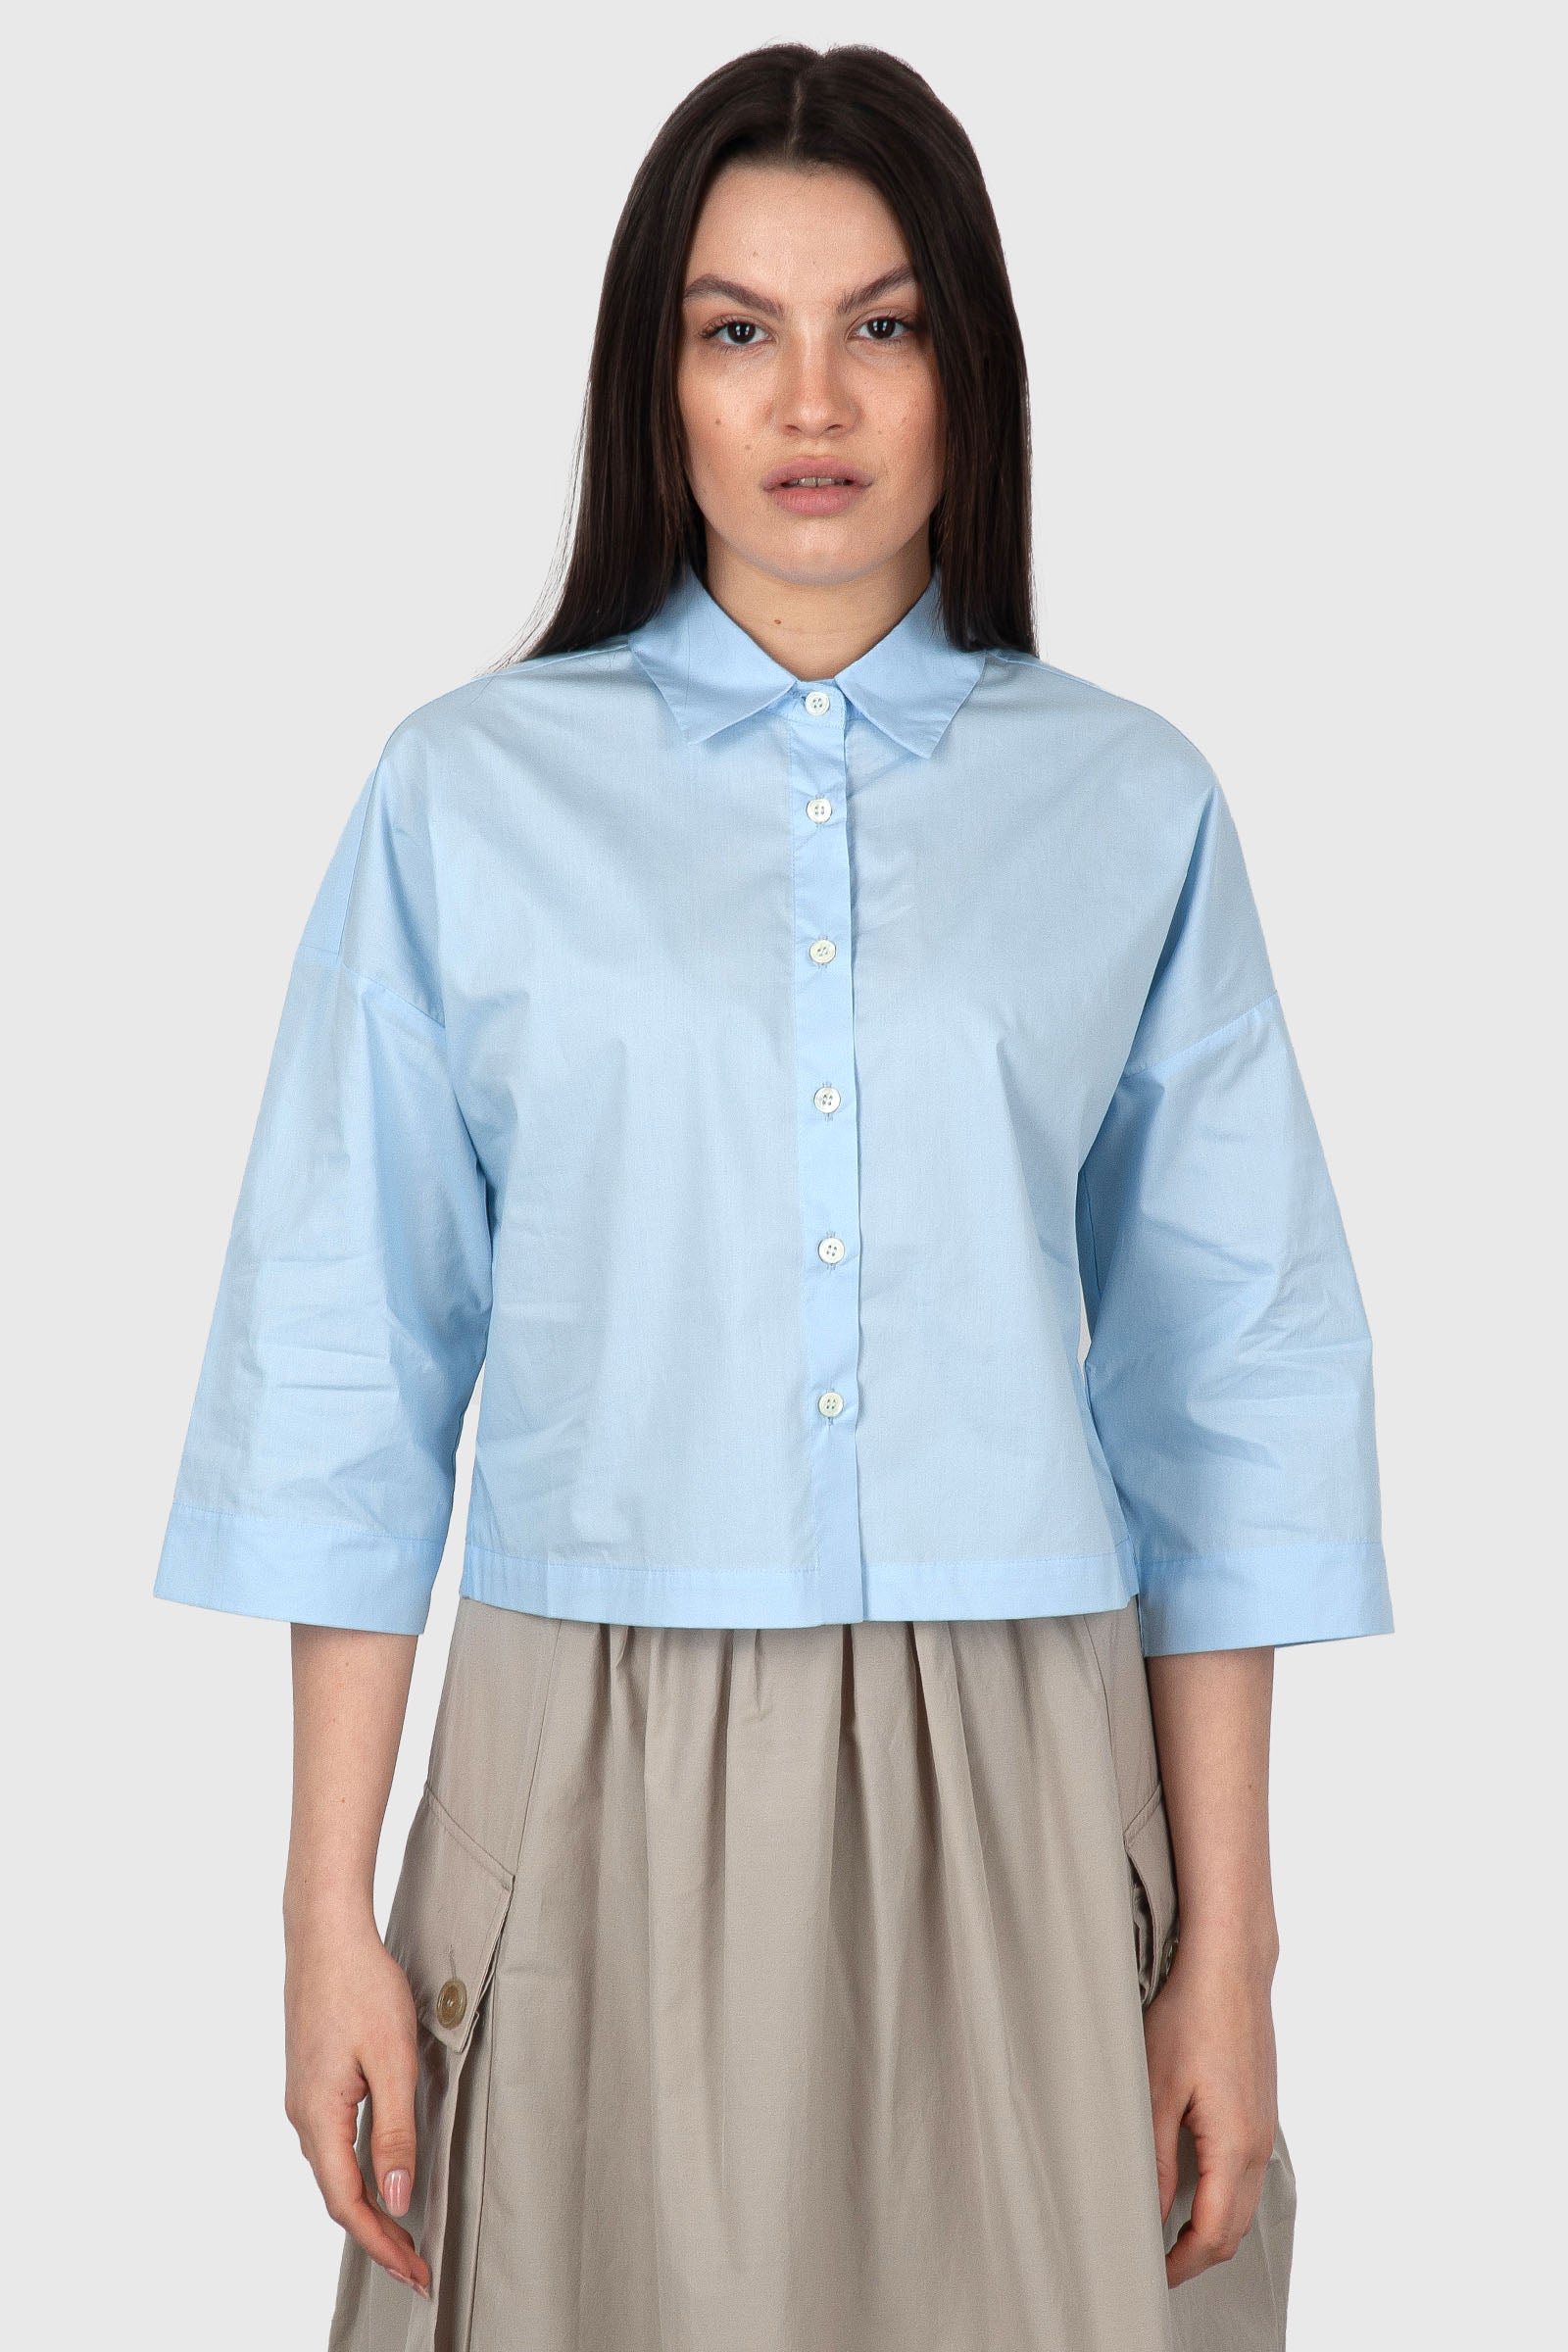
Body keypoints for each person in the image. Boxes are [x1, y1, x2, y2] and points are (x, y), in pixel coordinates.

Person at [154, 41, 1393, 2352]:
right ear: (656, 381)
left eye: (880, 325)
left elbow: (1226, 1393)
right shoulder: (464, 798)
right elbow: (341, 1363)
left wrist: (1228, 1948)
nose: (808, 400)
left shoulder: (1127, 806)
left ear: (966, 370)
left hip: (1026, 1779)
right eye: (735, 329)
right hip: (578, 1763)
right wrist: (323, 1911)